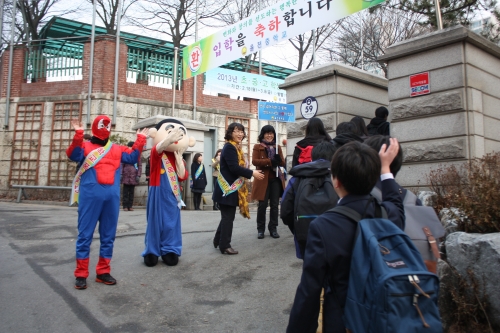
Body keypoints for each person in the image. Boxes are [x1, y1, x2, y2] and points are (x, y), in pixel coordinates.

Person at [286, 139, 404, 333]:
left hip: (343, 319)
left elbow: (309, 292)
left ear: (336, 180)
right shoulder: (387, 214)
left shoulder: (323, 227)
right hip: (383, 317)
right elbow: (395, 202)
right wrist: (385, 169)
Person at [66, 116, 148, 290]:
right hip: (90, 197)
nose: (105, 129)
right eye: (102, 126)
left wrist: (140, 139)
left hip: (111, 198)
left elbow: (133, 157)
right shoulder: (85, 146)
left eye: (107, 126)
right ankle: (81, 273)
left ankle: (103, 271)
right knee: (85, 235)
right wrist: (79, 134)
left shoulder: (116, 149)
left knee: (108, 236)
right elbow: (73, 155)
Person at [142, 119, 196, 267]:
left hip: (173, 193)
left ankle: (170, 249)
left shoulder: (178, 156)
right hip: (157, 190)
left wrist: (180, 161)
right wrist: (167, 140)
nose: (176, 136)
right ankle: (151, 251)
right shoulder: (157, 154)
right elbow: (156, 150)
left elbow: (183, 176)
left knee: (172, 223)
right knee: (154, 222)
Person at [212, 122, 264, 255]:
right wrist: (252, 173)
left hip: (230, 189)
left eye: (242, 131)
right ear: (230, 132)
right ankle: (225, 245)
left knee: (226, 217)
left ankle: (218, 240)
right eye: (237, 131)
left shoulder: (235, 147)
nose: (240, 134)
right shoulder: (230, 147)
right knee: (228, 217)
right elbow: (234, 168)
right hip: (227, 189)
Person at [281, 141, 338, 258]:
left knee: (311, 271)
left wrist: (297, 228)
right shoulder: (340, 176)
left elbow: (285, 211)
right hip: (337, 237)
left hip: (305, 236)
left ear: (312, 157)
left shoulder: (297, 178)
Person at [251, 125, 285, 239]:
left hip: (276, 178)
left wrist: (278, 160)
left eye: (271, 133)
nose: (269, 135)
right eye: (267, 133)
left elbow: (283, 163)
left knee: (275, 205)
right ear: (263, 134)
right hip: (262, 179)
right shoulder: (257, 146)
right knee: (263, 205)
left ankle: (273, 228)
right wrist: (270, 161)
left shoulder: (277, 147)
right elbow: (255, 161)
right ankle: (260, 229)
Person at [121, 141, 142, 211]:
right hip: (126, 175)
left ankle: (130, 205)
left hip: (134, 176)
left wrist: (138, 175)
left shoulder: (137, 156)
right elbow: (121, 165)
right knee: (125, 192)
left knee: (132, 192)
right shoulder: (125, 154)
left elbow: (140, 166)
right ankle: (125, 206)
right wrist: (121, 174)